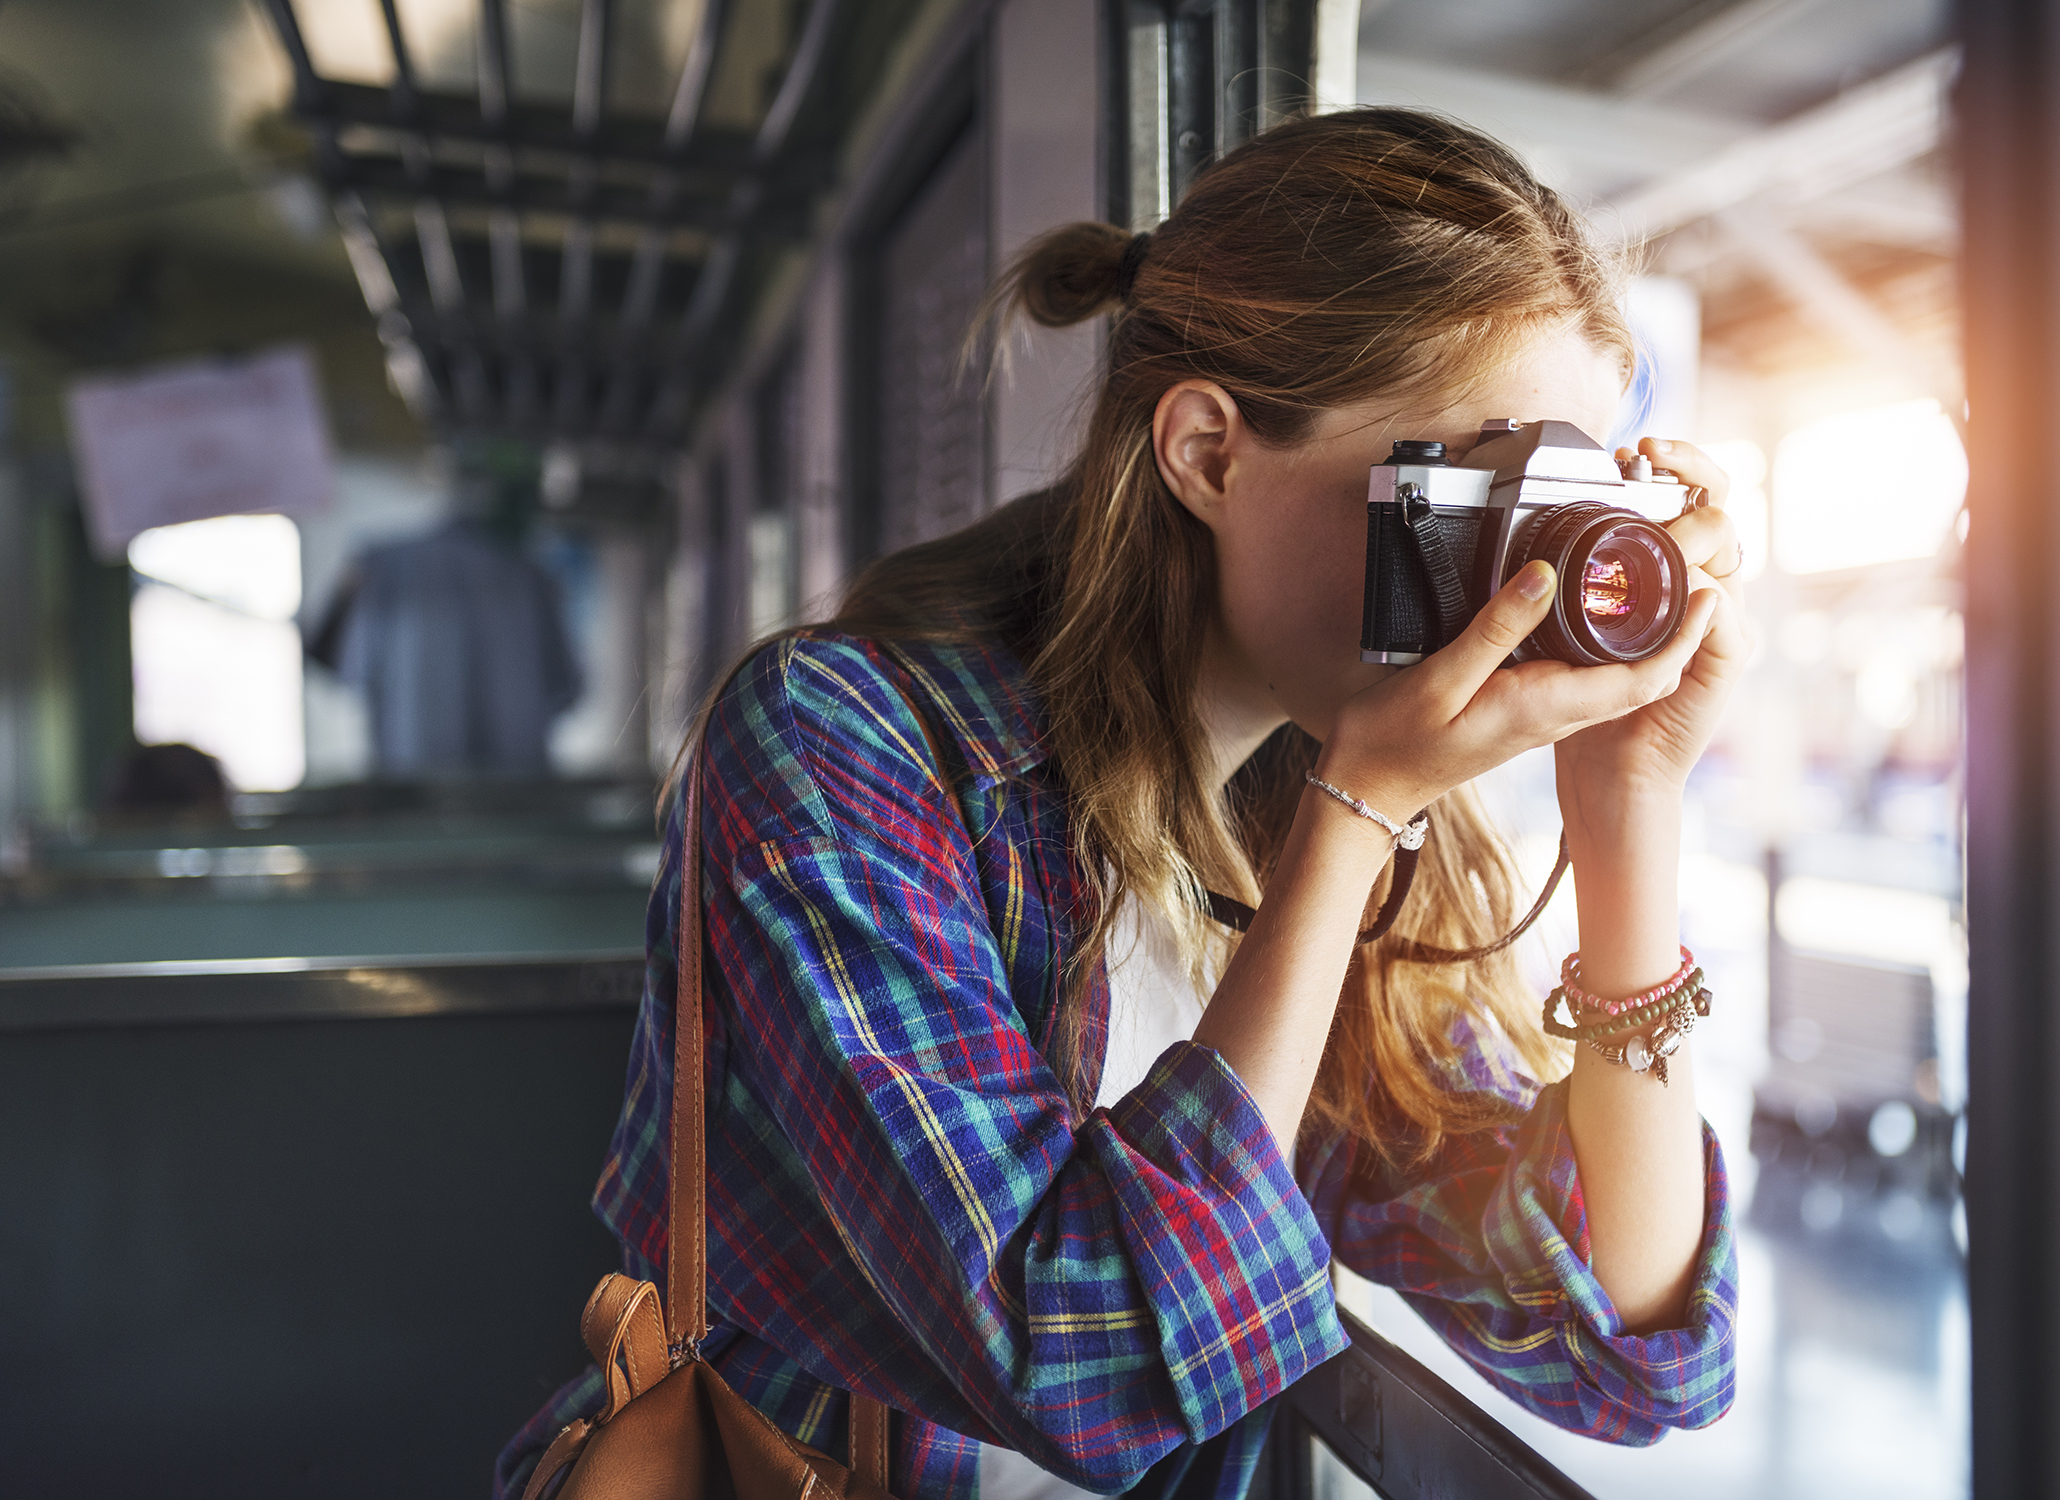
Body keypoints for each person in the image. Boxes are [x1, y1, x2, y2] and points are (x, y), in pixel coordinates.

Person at [499, 107, 1745, 1500]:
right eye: (1462, 492)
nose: (1510, 580)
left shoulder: (1340, 807)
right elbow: (1078, 1373)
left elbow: (1631, 1353)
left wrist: (1628, 806)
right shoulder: (834, 746)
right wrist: (1358, 813)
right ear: (1208, 453)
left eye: (1551, 509)